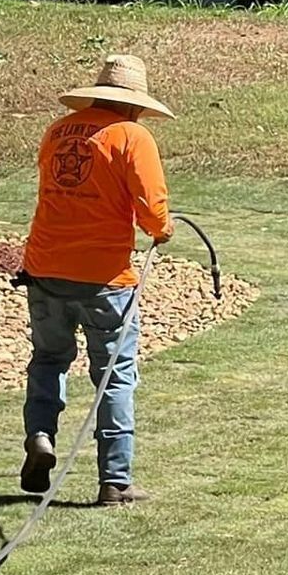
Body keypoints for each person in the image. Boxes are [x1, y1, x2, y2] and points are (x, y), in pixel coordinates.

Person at [18, 54, 174, 506]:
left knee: (48, 359)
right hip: (105, 277)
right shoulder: (132, 136)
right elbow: (151, 204)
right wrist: (162, 229)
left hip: (45, 267)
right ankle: (115, 480)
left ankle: (41, 435)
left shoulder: (58, 130)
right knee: (114, 376)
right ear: (135, 105)